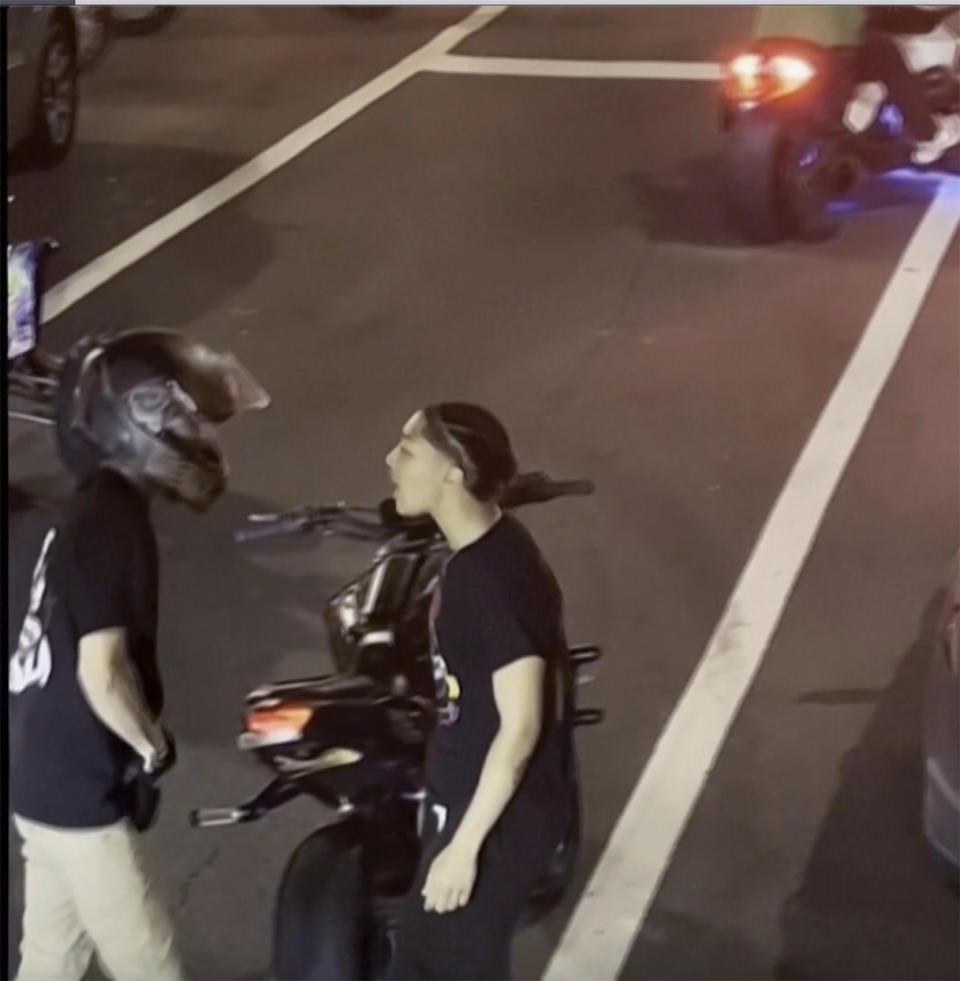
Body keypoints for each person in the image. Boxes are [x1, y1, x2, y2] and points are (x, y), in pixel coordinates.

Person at [8, 328, 269, 980]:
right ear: (133, 425)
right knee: (149, 964)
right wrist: (152, 746)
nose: (194, 433)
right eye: (176, 415)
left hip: (38, 775)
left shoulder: (94, 510)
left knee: (50, 957)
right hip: (75, 790)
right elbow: (101, 670)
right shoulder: (111, 522)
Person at [383, 403, 572, 981]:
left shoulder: (487, 582)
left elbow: (520, 727)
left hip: (495, 821)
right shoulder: (491, 544)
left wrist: (463, 850)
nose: (390, 460)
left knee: (443, 963)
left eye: (408, 450)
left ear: (453, 474)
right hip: (470, 802)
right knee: (423, 955)